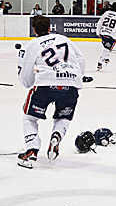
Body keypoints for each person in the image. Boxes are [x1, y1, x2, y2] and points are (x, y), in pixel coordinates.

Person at [16, 14, 86, 168]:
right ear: (50, 28)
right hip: (71, 85)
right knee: (64, 117)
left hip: (46, 84)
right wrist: (74, 77)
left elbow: (26, 76)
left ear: (34, 29)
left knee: (29, 117)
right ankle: (57, 135)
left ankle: (32, 150)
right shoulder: (63, 38)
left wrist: (29, 82)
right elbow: (81, 58)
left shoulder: (33, 44)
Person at [95, 1, 116, 71]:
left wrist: (98, 32)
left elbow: (99, 23)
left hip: (103, 33)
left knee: (107, 48)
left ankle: (106, 58)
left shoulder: (106, 13)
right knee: (107, 49)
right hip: (111, 36)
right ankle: (100, 63)